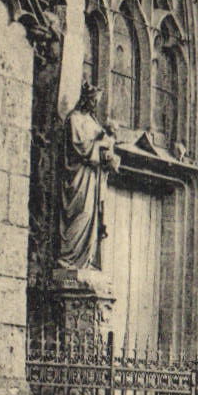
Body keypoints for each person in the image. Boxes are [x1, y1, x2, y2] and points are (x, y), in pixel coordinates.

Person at [57, 83, 119, 271]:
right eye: (92, 101)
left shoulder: (93, 121)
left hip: (93, 178)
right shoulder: (74, 119)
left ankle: (85, 261)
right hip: (78, 177)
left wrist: (109, 151)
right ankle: (68, 260)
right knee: (81, 213)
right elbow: (81, 148)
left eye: (96, 102)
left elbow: (102, 144)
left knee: (91, 215)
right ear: (85, 99)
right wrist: (99, 144)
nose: (94, 105)